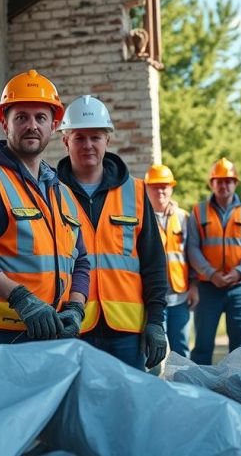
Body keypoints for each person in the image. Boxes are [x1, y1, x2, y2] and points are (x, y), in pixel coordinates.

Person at [0, 70, 91, 348]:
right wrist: (20, 299)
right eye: (21, 117)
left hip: (53, 333)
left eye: (41, 118)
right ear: (5, 124)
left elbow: (81, 259)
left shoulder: (61, 191)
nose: (32, 125)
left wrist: (76, 307)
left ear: (54, 125)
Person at [55, 95, 168, 371]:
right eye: (79, 137)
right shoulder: (50, 193)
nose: (88, 145)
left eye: (96, 137)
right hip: (72, 324)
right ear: (65, 141)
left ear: (108, 140)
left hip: (127, 330)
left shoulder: (138, 192)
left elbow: (154, 263)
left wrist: (155, 321)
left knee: (128, 408)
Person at [186, 157, 241, 365]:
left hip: (240, 287)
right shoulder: (198, 211)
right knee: (202, 345)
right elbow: (192, 247)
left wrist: (238, 272)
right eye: (218, 180)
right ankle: (200, 393)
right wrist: (211, 273)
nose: (223, 185)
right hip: (208, 287)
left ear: (235, 183)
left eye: (228, 180)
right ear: (211, 183)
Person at [145, 164, 196, 358]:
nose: (160, 190)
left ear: (172, 187)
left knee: (182, 350)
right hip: (152, 299)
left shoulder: (183, 217)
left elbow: (191, 254)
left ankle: (184, 389)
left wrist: (194, 286)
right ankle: (159, 389)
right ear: (147, 188)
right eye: (155, 186)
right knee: (156, 353)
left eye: (164, 186)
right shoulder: (140, 217)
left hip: (180, 296)